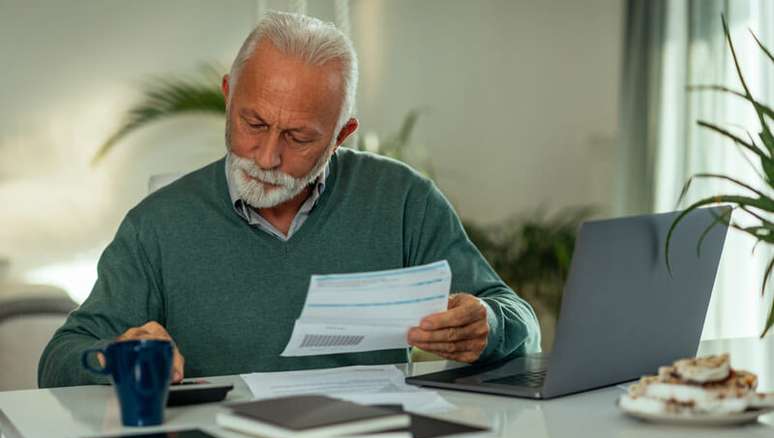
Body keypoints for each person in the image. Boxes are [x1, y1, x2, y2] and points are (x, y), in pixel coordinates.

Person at [38, 11, 540, 388]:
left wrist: (487, 326)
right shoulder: (158, 224)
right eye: (253, 124)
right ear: (228, 95)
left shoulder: (402, 200)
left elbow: (519, 320)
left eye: (299, 138)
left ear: (341, 135)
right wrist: (112, 357)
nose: (268, 156)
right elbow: (60, 358)